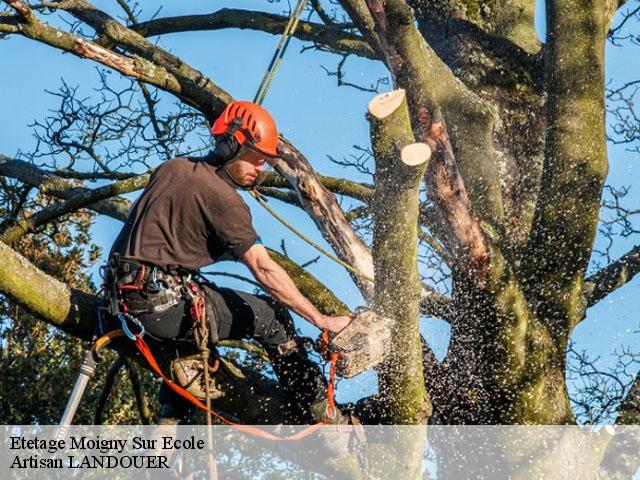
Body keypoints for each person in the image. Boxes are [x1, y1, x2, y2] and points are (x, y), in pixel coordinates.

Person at [106, 101, 352, 424]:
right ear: (234, 144)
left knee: (194, 345)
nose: (260, 169)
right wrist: (322, 321)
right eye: (257, 158)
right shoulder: (224, 198)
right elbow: (263, 269)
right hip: (160, 308)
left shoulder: (172, 169)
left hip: (119, 302)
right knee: (270, 315)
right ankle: (321, 411)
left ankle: (169, 423)